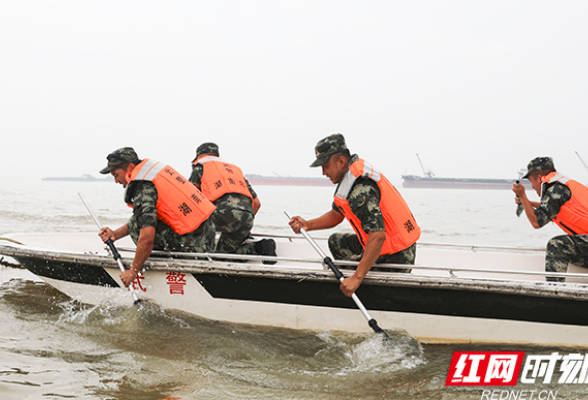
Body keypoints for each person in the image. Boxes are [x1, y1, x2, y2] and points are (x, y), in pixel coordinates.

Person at [289, 134, 421, 297]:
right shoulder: (349, 178)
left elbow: (378, 235)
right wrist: (307, 224)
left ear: (341, 162)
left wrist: (356, 278)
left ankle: (358, 289)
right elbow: (336, 215)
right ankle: (359, 269)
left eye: (325, 166)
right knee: (336, 241)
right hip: (386, 245)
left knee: (339, 271)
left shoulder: (360, 191)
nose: (324, 172)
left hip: (397, 255)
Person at [98, 147, 217, 287]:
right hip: (208, 237)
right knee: (143, 219)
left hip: (193, 246)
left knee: (141, 229)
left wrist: (132, 271)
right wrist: (115, 234)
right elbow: (142, 216)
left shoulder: (143, 187)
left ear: (130, 167)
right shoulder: (153, 174)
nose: (116, 181)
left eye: (116, 175)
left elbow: (147, 237)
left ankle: (161, 258)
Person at [189, 142, 277, 264]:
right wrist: (241, 225)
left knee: (209, 254)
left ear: (199, 156)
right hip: (247, 218)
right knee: (222, 255)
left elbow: (190, 199)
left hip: (221, 215)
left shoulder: (200, 166)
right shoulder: (234, 170)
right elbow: (256, 203)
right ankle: (261, 247)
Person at [513, 156, 588, 282]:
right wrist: (527, 203)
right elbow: (549, 209)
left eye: (531, 181)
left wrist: (523, 196)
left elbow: (536, 222)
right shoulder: (562, 186)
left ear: (538, 177)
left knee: (556, 245)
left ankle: (554, 291)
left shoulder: (556, 189)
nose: (532, 186)